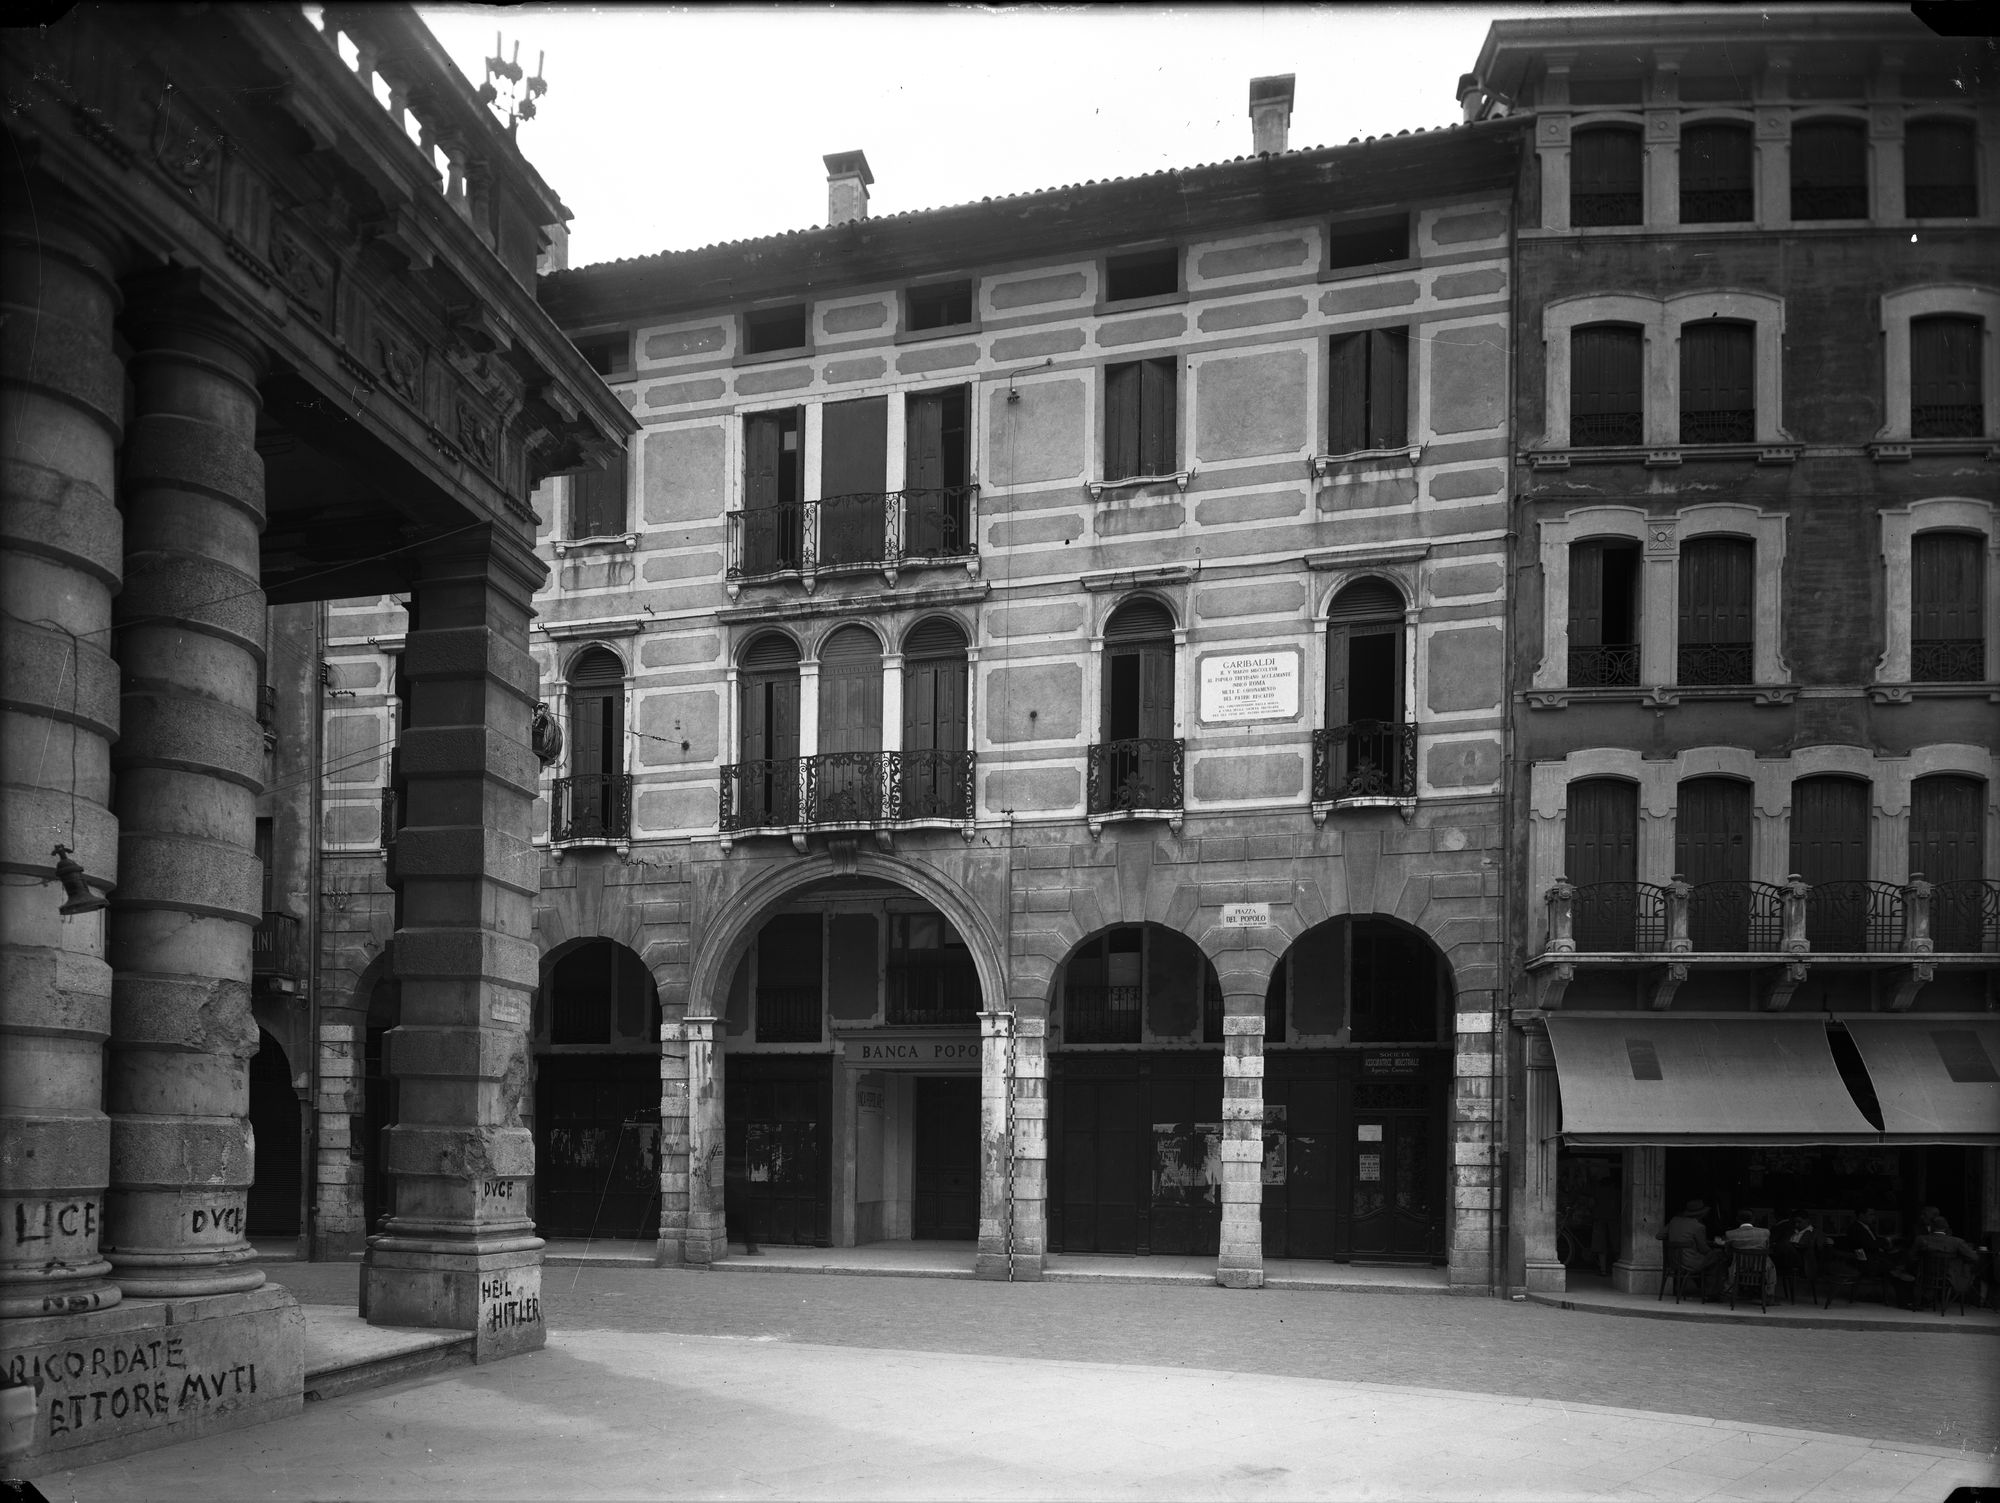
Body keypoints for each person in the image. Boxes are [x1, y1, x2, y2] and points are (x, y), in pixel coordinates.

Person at [1658, 1199, 1728, 1297]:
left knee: (1710, 1260)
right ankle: (1712, 1292)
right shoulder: (1698, 1226)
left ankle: (1704, 1288)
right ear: (1700, 1214)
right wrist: (1715, 1246)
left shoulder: (1674, 1221)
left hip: (1673, 1260)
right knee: (1718, 1256)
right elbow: (1704, 1249)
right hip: (1689, 1262)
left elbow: (1659, 1236)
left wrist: (1675, 1239)